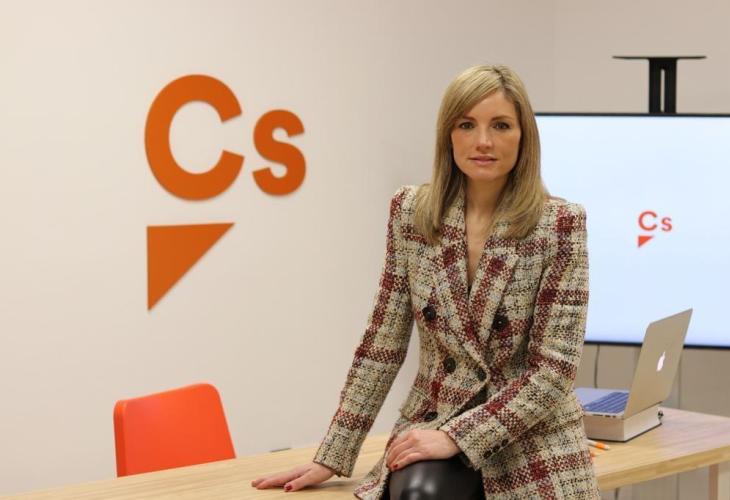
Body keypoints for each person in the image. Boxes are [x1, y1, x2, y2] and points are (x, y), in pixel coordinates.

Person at [251, 64, 600, 499]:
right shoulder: (412, 212)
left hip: (530, 434)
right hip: (435, 416)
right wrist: (334, 454)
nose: (483, 141)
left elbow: (553, 370)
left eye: (501, 125)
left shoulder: (559, 224)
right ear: (448, 135)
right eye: (467, 125)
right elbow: (383, 343)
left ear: (523, 136)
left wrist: (459, 437)